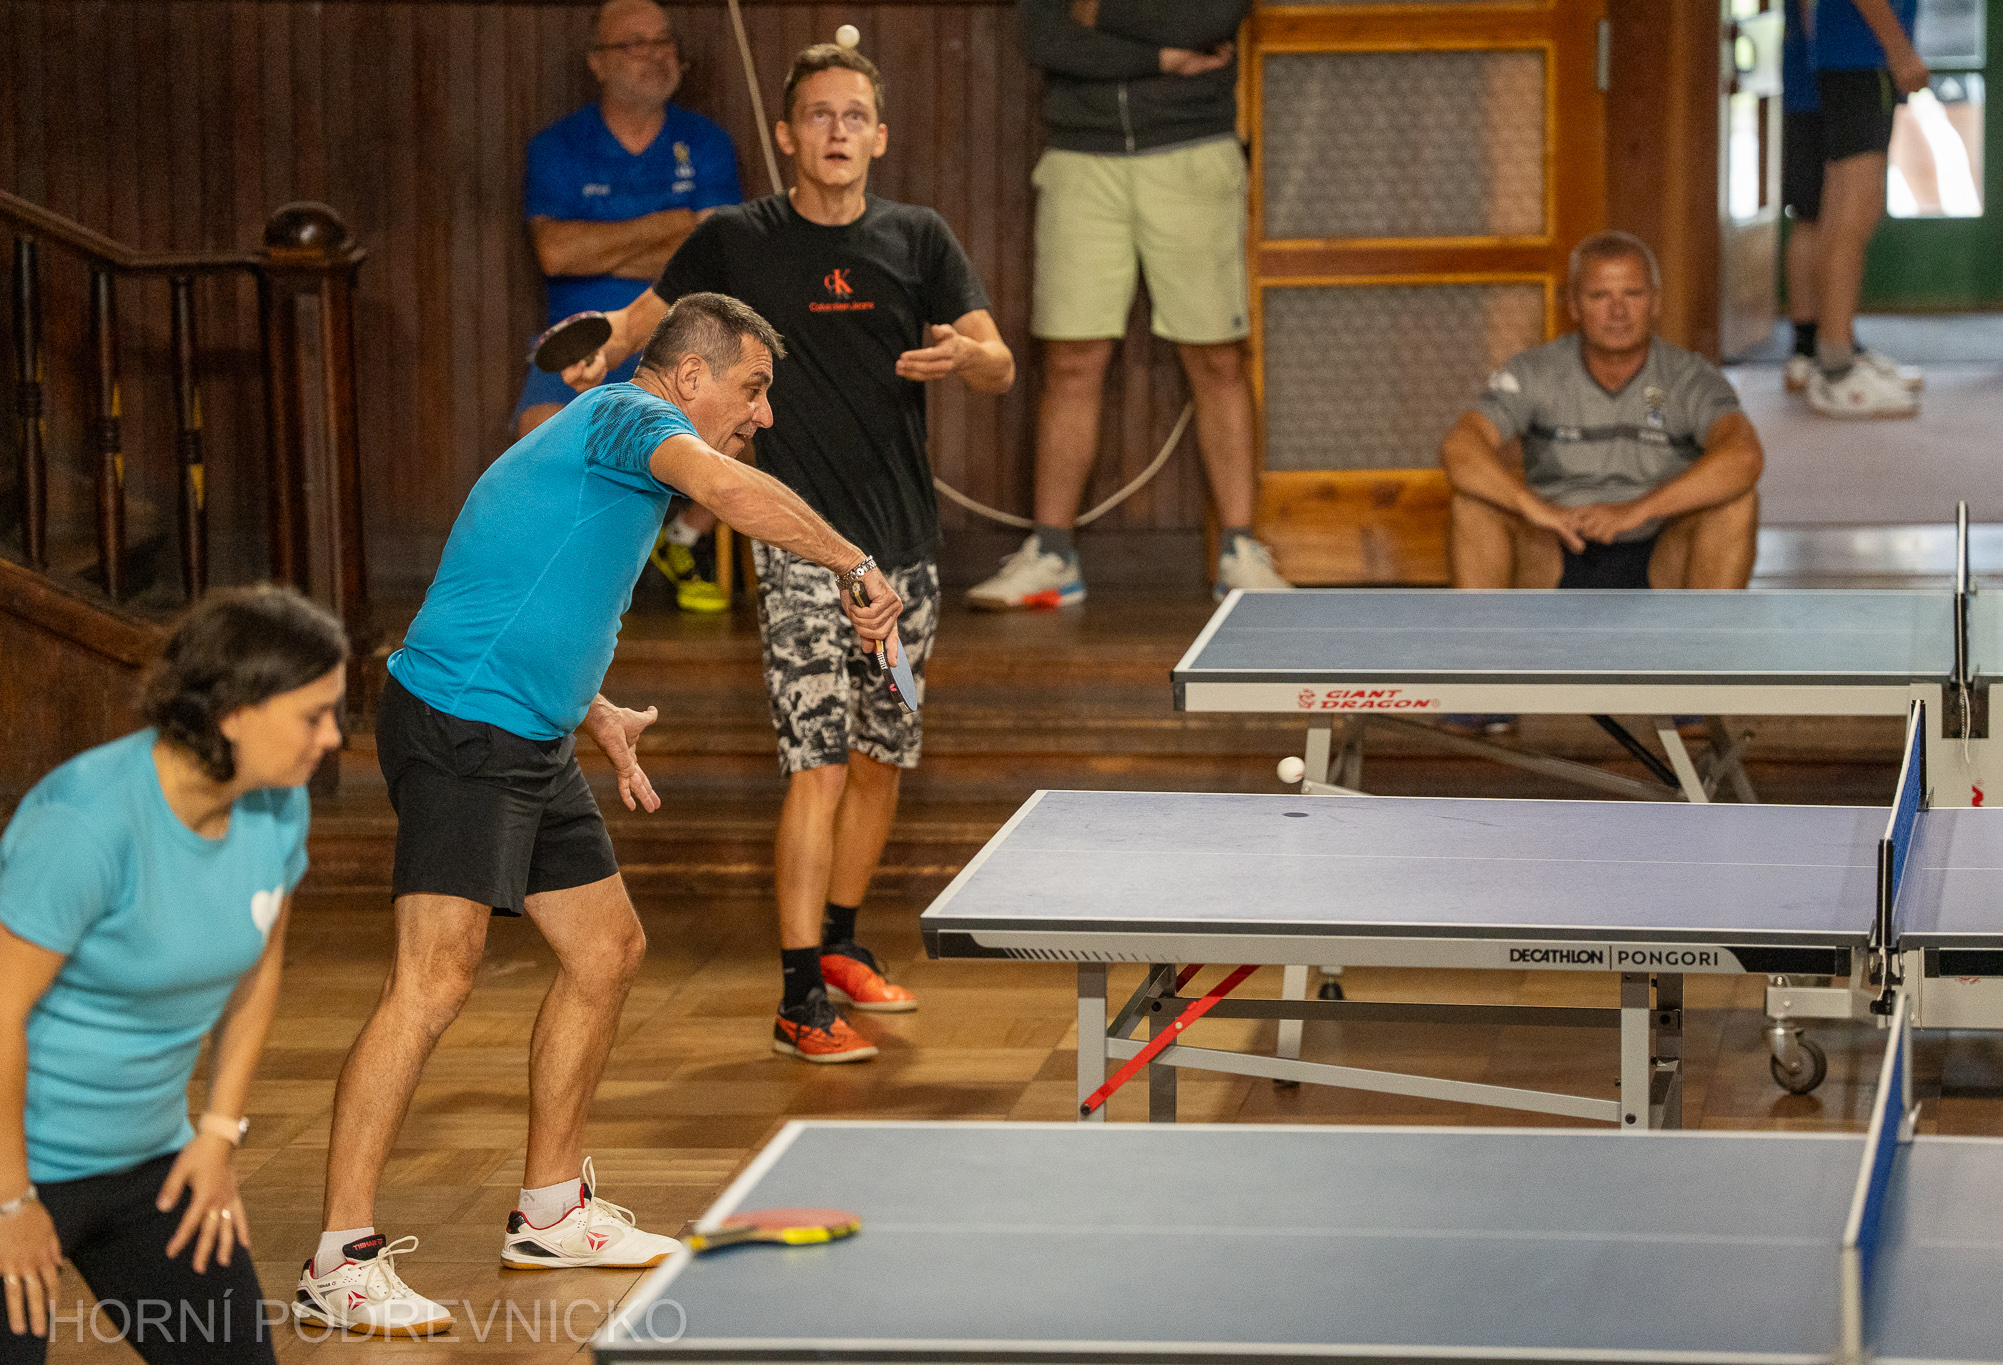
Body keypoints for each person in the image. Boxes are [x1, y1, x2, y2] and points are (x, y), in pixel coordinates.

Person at [294, 293, 905, 1334]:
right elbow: (728, 488)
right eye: (753, 388)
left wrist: (591, 706)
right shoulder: (631, 416)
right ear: (691, 376)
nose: (762, 413)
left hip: (528, 727)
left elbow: (524, 577)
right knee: (432, 981)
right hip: (463, 724)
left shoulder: (611, 446)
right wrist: (852, 561)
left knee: (607, 950)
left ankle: (551, 1211)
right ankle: (337, 1259)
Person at [561, 42, 1014, 1064]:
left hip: (904, 553)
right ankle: (798, 994)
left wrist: (969, 355)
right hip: (800, 551)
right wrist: (597, 349)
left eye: (854, 115)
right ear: (786, 133)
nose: (837, 130)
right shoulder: (735, 238)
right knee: (818, 765)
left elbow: (997, 362)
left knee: (880, 758)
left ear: (879, 136)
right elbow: (642, 324)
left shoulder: (918, 237)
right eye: (818, 114)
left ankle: (843, 944)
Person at [0, 585, 346, 1364]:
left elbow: (259, 968)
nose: (332, 736)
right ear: (233, 711)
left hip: (150, 1164)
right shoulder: (85, 823)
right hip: (14, 1161)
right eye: (313, 715)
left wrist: (218, 1133)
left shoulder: (277, 804)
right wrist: (11, 1202)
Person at [966, 0, 1291, 609]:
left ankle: (1241, 550)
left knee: (1218, 358)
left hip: (1193, 147)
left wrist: (1095, 11)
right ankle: (1052, 555)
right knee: (1071, 361)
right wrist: (1163, 57)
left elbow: (1208, 19)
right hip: (1080, 156)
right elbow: (1043, 37)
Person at [520, 0, 744, 610]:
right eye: (635, 43)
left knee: (747, 424)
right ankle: (588, 575)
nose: (656, 55)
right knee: (540, 437)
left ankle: (681, 540)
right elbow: (555, 253)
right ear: (597, 62)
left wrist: (602, 246)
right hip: (582, 339)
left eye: (664, 42)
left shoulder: (706, 142)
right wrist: (673, 225)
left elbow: (717, 254)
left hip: (687, 340)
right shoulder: (558, 146)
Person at [1440, 231, 1764, 592]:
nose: (1618, 312)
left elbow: (1744, 457)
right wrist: (1532, 506)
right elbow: (1460, 448)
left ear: (1655, 302)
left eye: (1633, 294)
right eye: (1599, 296)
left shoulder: (1690, 376)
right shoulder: (1534, 371)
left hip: (1659, 551)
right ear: (1574, 306)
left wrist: (1637, 510)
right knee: (1472, 505)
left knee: (1737, 503)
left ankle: (1706, 632)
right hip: (1554, 547)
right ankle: (1485, 633)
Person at [1802, 0, 1928, 418]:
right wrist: (1899, 49)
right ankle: (1838, 373)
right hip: (1863, 57)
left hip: (1849, 58)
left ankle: (1835, 355)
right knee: (1854, 213)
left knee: (1840, 208)